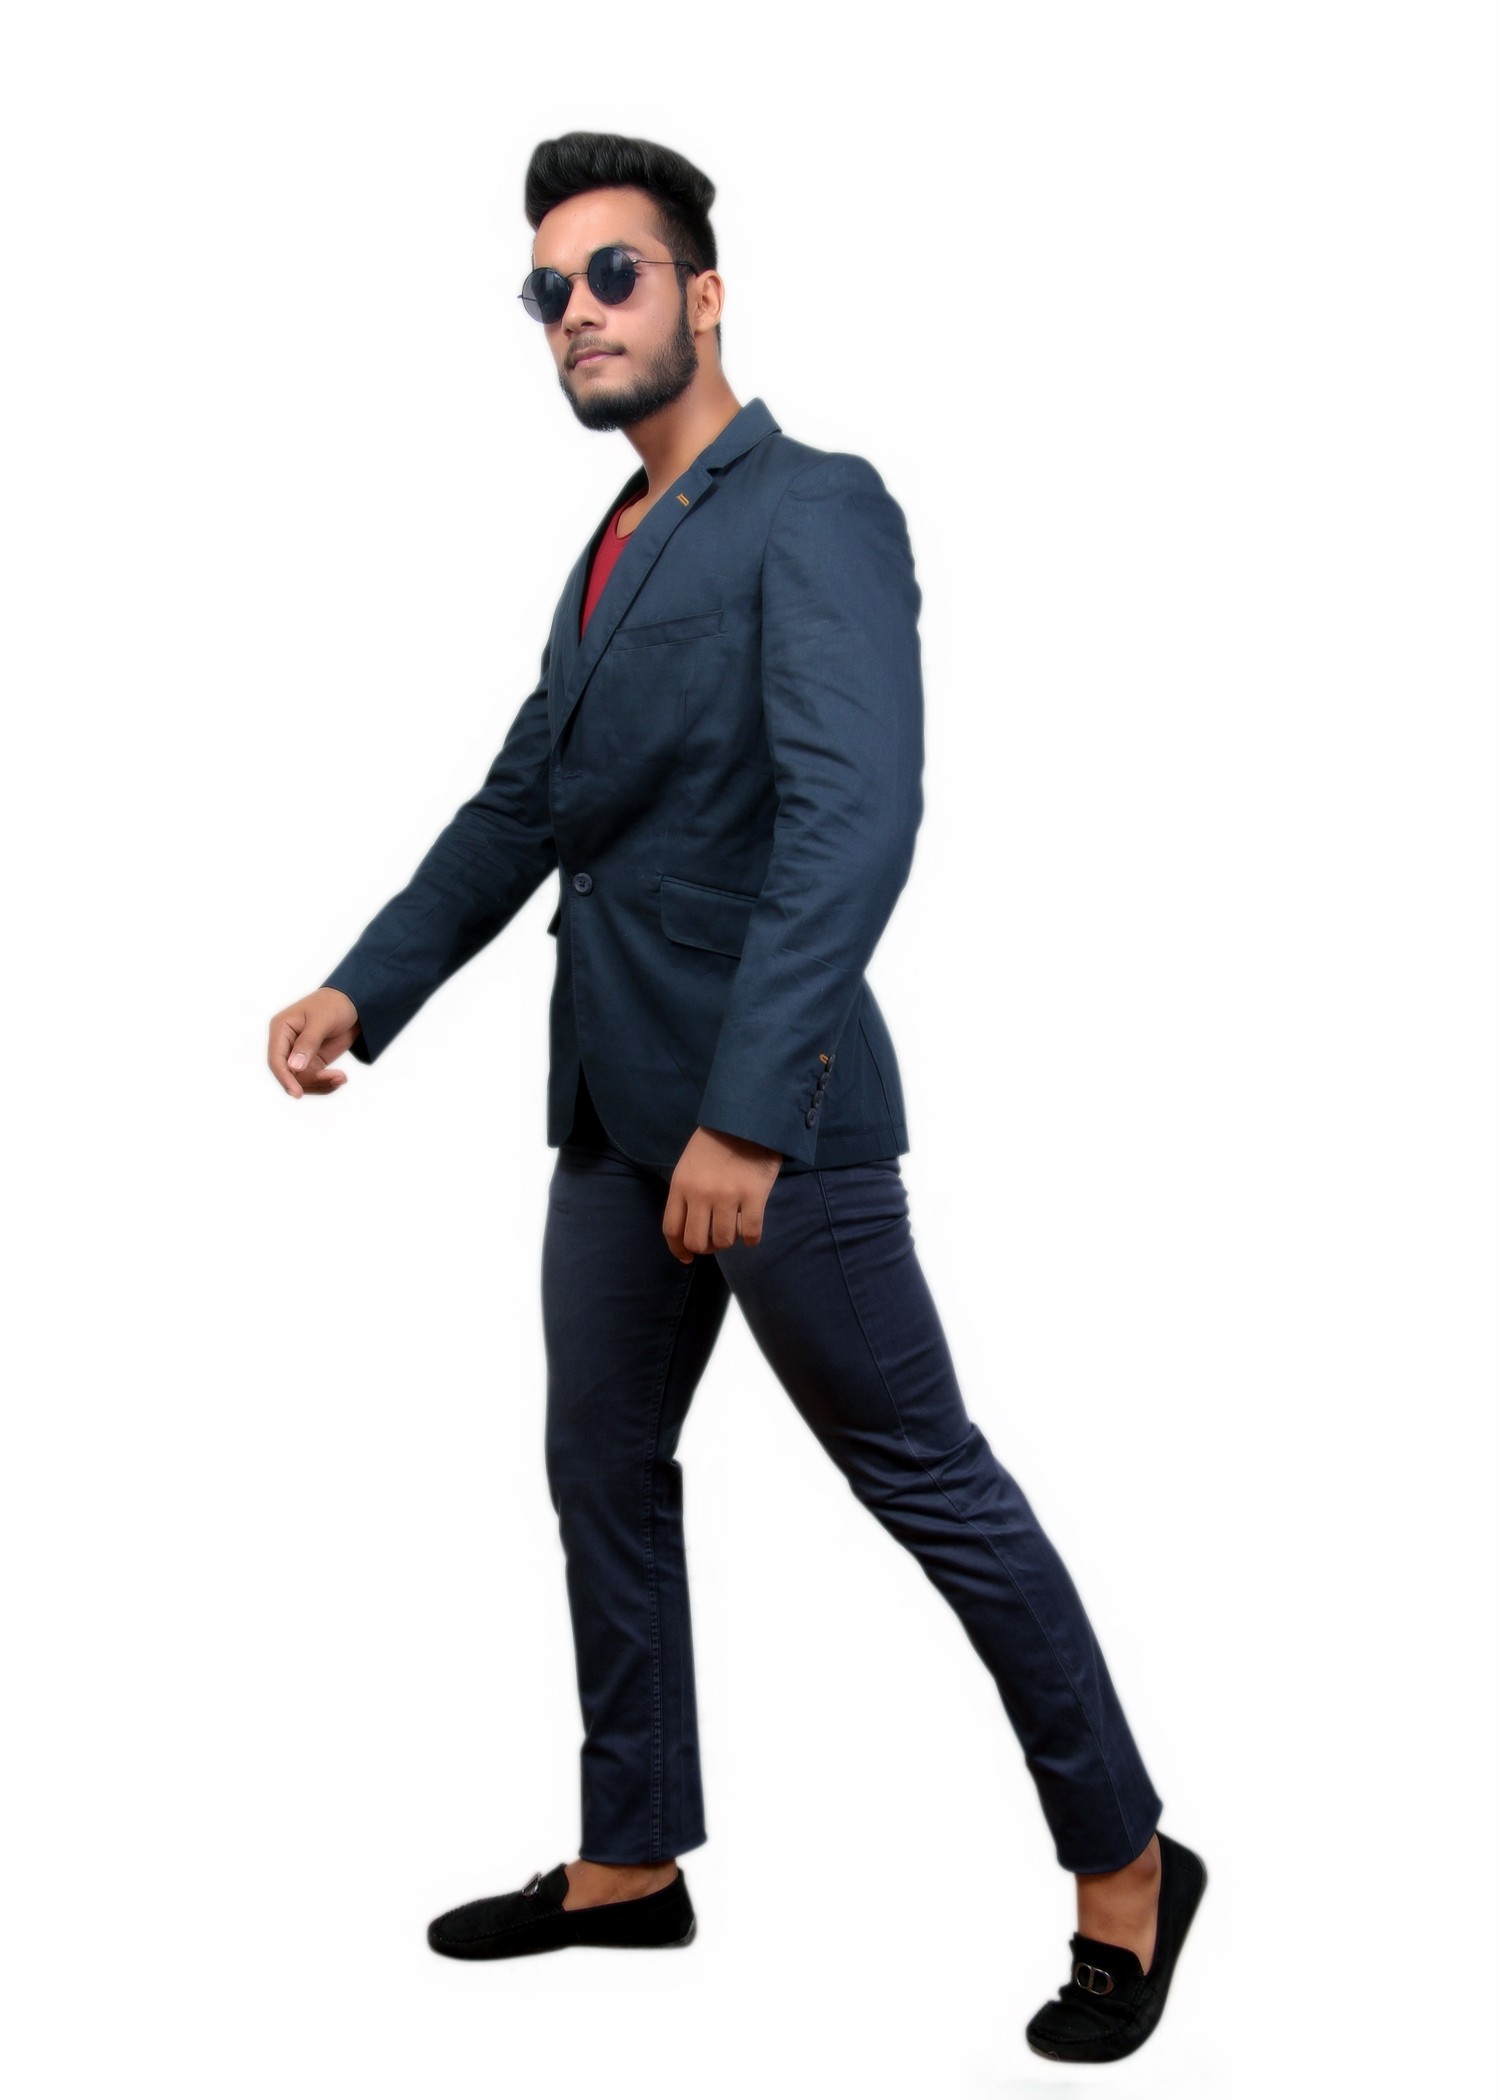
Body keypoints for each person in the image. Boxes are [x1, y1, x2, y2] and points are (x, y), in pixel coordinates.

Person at [266, 130, 1205, 2061]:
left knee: (924, 1477)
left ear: (703, 295)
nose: (575, 314)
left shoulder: (815, 505)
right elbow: (524, 805)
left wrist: (753, 1113)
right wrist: (368, 982)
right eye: (546, 290)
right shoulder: (611, 549)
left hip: (776, 1125)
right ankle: (632, 1861)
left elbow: (860, 818)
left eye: (611, 274)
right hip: (613, 1115)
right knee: (597, 1466)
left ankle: (1127, 1863)